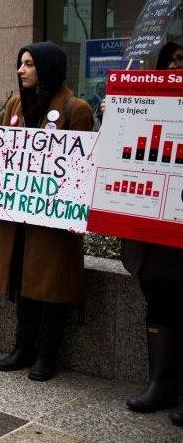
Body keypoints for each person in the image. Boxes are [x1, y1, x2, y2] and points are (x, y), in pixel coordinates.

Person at [0, 41, 93, 382]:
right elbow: (4, 154)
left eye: (29, 64)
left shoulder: (76, 109)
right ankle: (23, 347)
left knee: (51, 283)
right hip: (20, 216)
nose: (21, 70)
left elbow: (79, 169)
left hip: (53, 220)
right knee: (24, 278)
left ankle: (48, 354)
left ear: (47, 67)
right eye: (21, 63)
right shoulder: (16, 103)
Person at [122, 39, 183, 426]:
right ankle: (160, 383)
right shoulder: (145, 105)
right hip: (149, 230)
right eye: (174, 60)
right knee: (159, 304)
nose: (178, 67)